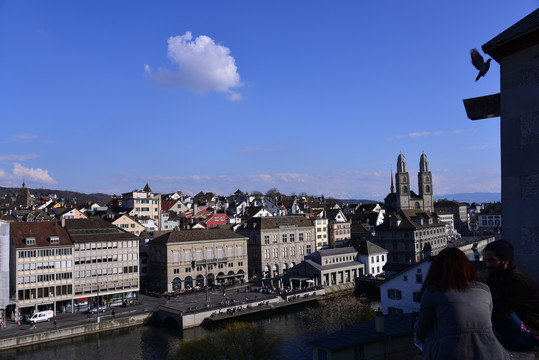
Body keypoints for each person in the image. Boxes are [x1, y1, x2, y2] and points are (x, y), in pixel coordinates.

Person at [414, 248, 508, 360]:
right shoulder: (484, 290)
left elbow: (421, 332)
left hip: (450, 353)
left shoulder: (433, 292)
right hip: (491, 352)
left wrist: (416, 319)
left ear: (437, 269)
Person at [482, 240, 539, 351]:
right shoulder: (498, 275)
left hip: (530, 338)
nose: (488, 265)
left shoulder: (519, 281)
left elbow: (500, 311)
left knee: (491, 301)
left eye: (491, 260)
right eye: (485, 261)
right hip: (519, 331)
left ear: (505, 260)